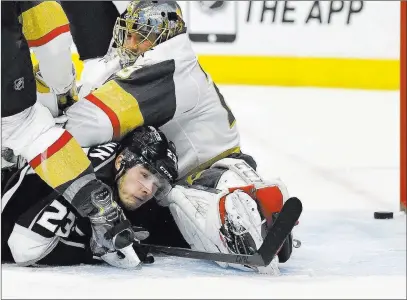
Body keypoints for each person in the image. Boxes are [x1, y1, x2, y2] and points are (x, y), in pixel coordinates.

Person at [37, 1, 297, 273]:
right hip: (169, 180)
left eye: (139, 35)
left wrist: (33, 131)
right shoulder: (164, 58)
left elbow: (85, 125)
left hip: (213, 174)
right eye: (131, 33)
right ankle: (256, 216)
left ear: (158, 37)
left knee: (200, 202)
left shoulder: (166, 68)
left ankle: (250, 210)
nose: (131, 41)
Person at [1, 1, 142, 269]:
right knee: (33, 131)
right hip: (7, 90)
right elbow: (52, 42)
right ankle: (103, 213)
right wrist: (63, 85)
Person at [1, 126, 179, 268]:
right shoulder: (92, 177)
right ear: (121, 161)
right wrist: (95, 252)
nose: (148, 190)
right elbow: (25, 249)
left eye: (158, 185)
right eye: (145, 175)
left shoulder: (112, 170)